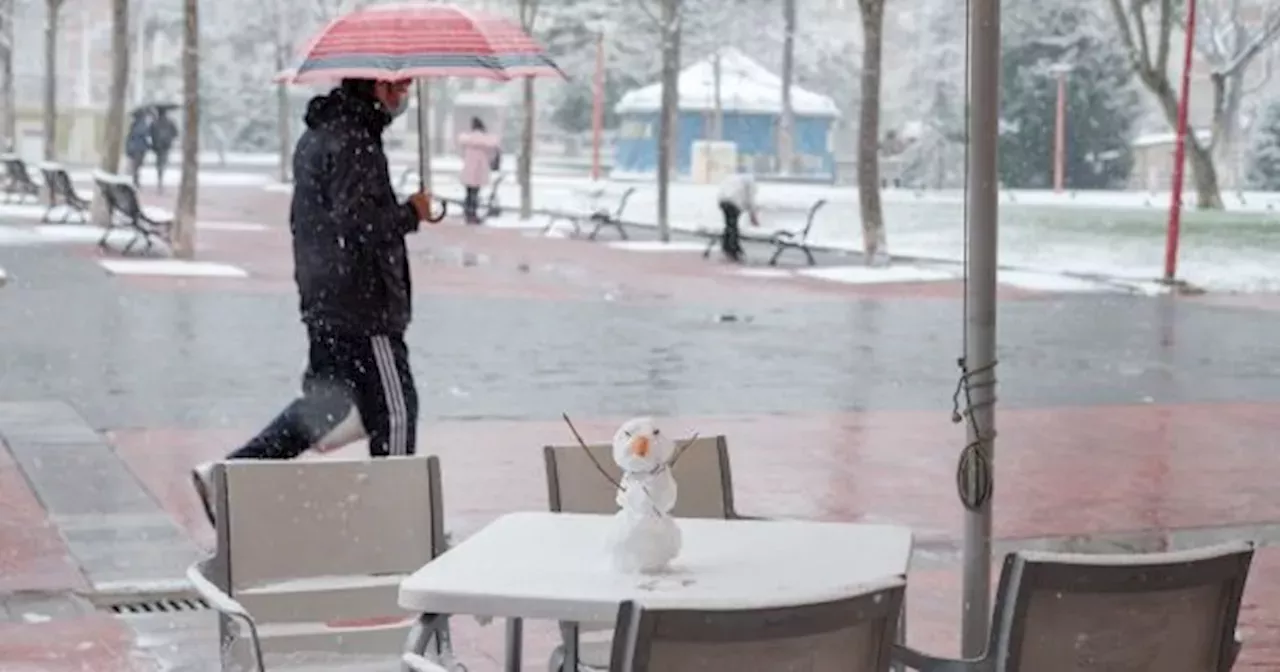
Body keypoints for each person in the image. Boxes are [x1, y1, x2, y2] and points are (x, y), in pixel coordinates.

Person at [190, 77, 437, 525]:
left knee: (328, 407)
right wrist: (411, 213)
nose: (403, 96)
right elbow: (359, 222)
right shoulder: (354, 140)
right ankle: (399, 521)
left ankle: (228, 478)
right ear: (372, 85)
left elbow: (334, 218)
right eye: (396, 86)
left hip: (327, 297)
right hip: (363, 307)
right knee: (397, 410)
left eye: (407, 87)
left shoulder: (321, 133)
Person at [457, 117, 499, 225]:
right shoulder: (487, 142)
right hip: (480, 170)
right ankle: (472, 214)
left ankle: (468, 212)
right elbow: (492, 155)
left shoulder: (467, 140)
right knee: (475, 193)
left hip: (469, 171)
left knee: (469, 192)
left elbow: (462, 154)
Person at [716, 171, 760, 263]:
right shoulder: (750, 182)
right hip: (734, 202)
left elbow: (723, 190)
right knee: (733, 226)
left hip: (723, 201)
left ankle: (727, 246)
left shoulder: (733, 177)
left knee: (729, 225)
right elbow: (750, 199)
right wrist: (753, 215)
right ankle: (733, 248)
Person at [149, 107, 178, 193]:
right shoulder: (170, 122)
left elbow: (150, 133)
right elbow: (176, 133)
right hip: (166, 146)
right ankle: (160, 180)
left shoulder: (154, 122)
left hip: (157, 147)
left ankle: (159, 179)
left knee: (159, 163)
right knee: (163, 162)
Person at [125, 109, 152, 188]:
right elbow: (146, 137)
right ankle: (136, 181)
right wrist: (148, 146)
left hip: (133, 148)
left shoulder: (134, 125)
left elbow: (130, 137)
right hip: (140, 149)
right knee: (137, 166)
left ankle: (135, 180)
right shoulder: (143, 125)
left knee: (135, 166)